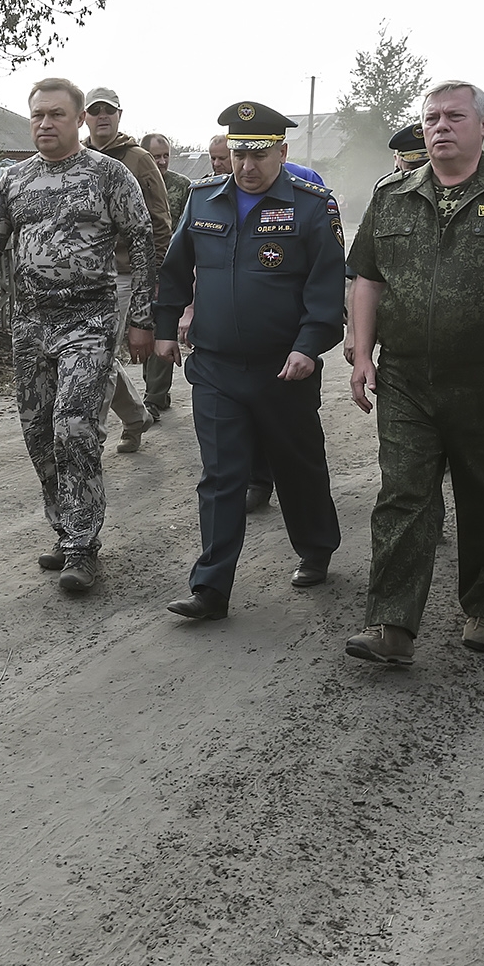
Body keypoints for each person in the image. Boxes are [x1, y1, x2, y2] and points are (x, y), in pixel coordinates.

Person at [344, 81, 484, 665]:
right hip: (405, 378)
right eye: (431, 118)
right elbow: (367, 277)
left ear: (483, 125)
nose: (440, 127)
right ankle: (391, 624)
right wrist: (361, 351)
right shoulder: (393, 195)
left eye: (453, 116)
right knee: (403, 495)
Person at [0, 77, 156, 594]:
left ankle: (83, 545)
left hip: (90, 321)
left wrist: (143, 319)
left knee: (74, 428)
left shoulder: (109, 175)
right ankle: (66, 531)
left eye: (56, 114)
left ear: (80, 119)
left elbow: (144, 241)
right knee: (38, 431)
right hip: (31, 323)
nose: (45, 123)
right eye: (38, 114)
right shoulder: (14, 180)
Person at [155, 102, 345, 619]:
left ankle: (316, 548)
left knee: (297, 465)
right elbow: (174, 273)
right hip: (216, 367)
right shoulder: (202, 202)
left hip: (284, 370)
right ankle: (211, 588)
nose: (247, 166)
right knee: (221, 476)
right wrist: (166, 330)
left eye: (259, 154)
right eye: (239, 153)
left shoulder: (311, 208)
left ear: (282, 152)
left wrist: (308, 348)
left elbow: (326, 293)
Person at [82, 89, 173, 452]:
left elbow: (160, 221)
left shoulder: (138, 159)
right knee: (93, 351)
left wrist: (156, 276)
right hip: (84, 275)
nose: (102, 116)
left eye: (108, 111)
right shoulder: (77, 158)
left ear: (119, 115)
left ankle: (89, 438)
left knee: (96, 354)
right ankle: (136, 416)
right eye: (95, 111)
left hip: (124, 273)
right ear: (84, 118)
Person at [142, 131, 193, 417]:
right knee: (142, 330)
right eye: (155, 156)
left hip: (169, 268)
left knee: (162, 325)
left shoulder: (181, 186)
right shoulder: (133, 183)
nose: (161, 162)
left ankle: (154, 396)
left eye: (165, 156)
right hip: (135, 269)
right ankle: (155, 392)